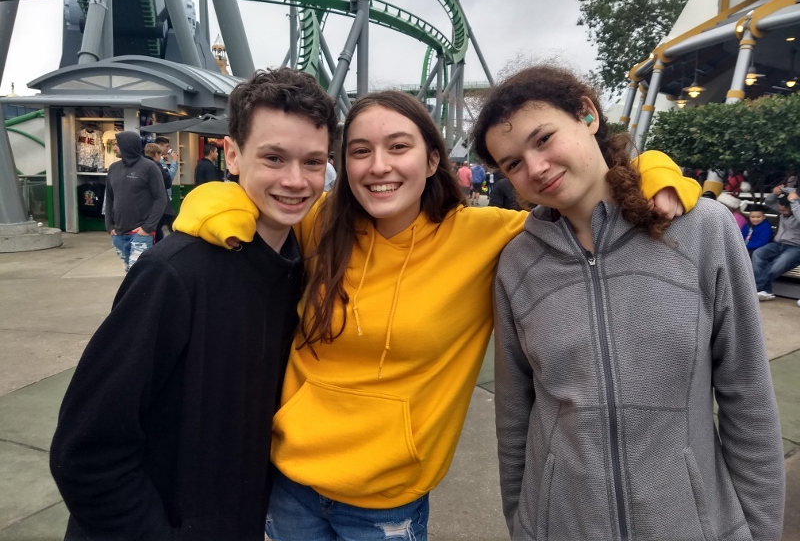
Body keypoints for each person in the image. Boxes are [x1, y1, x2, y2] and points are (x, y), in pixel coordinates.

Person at [174, 85, 698, 539]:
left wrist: (652, 170)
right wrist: (212, 204)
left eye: (398, 147)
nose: (378, 166)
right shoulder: (320, 222)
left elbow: (591, 195)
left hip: (385, 500)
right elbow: (244, 203)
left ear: (431, 161)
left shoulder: (486, 236)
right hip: (289, 481)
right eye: (360, 151)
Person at [473, 65, 784, 540]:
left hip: (689, 524)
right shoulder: (517, 264)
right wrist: (524, 526)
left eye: (543, 139)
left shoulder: (702, 231)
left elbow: (748, 397)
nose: (534, 167)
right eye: (512, 163)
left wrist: (759, 531)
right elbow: (515, 416)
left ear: (588, 115)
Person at [50, 68, 337, 541]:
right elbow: (86, 449)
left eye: (312, 162)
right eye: (274, 157)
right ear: (233, 155)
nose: (295, 180)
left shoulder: (297, 271)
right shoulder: (175, 273)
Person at [104, 131, 167, 272]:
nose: (114, 148)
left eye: (116, 145)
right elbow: (109, 198)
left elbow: (161, 199)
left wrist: (147, 227)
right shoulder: (114, 169)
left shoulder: (149, 167)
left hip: (140, 235)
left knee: (138, 276)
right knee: (129, 276)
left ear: (126, 146)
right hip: (118, 235)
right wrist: (109, 226)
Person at [752, 186, 800, 301]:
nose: (781, 212)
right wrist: (776, 192)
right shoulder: (783, 209)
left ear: (792, 208)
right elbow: (768, 202)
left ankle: (757, 289)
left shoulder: (797, 211)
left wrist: (794, 201)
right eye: (780, 210)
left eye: (784, 210)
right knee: (758, 253)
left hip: (795, 248)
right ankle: (765, 290)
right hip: (778, 244)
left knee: (778, 264)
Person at [144, 143, 175, 243]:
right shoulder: (155, 165)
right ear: (156, 154)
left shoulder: (140, 165)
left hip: (145, 205)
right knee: (169, 227)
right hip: (160, 203)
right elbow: (167, 181)